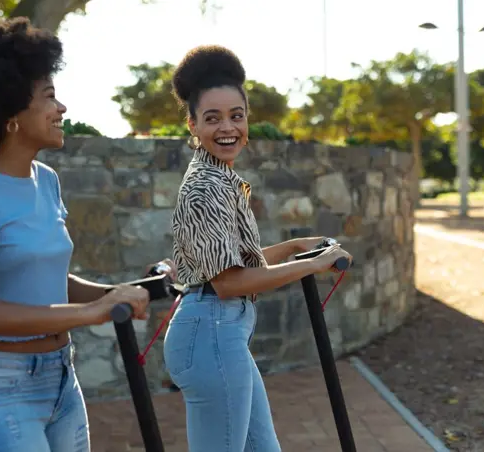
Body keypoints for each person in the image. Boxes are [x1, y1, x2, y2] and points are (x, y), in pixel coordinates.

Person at [0, 16, 173, 452]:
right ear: (10, 111)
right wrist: (94, 313)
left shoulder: (47, 180)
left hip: (61, 377)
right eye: (50, 97)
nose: (62, 109)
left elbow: (56, 283)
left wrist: (132, 290)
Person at [162, 45, 353, 452]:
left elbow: (241, 263)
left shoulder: (222, 178)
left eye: (237, 115)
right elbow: (230, 283)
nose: (227, 127)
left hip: (222, 333)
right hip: (211, 331)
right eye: (212, 118)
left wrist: (297, 246)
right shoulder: (204, 188)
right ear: (193, 125)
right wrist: (312, 265)